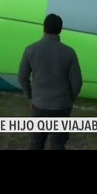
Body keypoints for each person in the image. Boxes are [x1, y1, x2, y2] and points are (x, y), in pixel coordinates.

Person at [18, 14, 83, 150]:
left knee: (36, 144)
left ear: (44, 28)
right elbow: (77, 82)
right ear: (60, 29)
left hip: (39, 104)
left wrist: (30, 97)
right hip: (61, 105)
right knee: (58, 145)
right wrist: (69, 99)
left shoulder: (31, 49)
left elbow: (22, 77)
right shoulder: (69, 52)